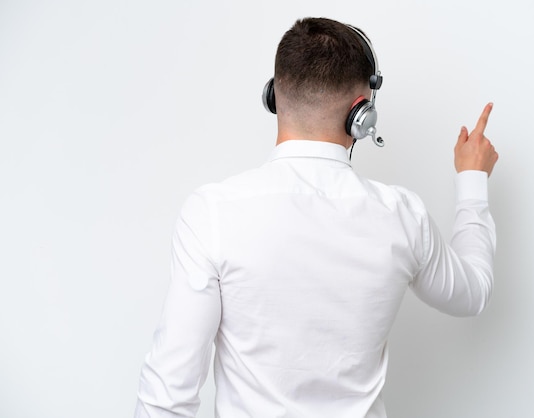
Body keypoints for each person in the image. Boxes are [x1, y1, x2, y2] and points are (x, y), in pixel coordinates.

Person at [135, 17, 498, 418]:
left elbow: (167, 396)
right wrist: (472, 179)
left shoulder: (212, 213)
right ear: (362, 113)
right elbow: (473, 292)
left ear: (274, 95)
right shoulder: (402, 216)